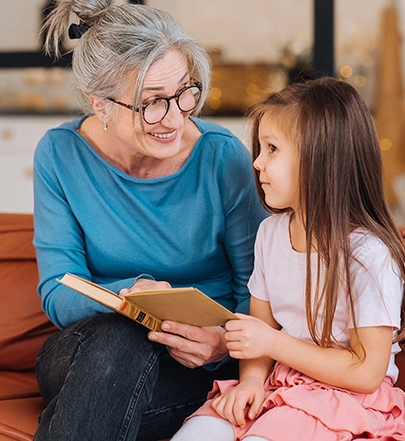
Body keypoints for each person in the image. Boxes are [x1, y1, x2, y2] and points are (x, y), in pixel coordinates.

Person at [32, 1, 267, 440]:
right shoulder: (60, 154)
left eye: (184, 93)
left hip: (191, 367)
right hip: (85, 350)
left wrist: (220, 344)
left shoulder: (222, 157)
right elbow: (57, 289)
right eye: (152, 104)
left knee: (99, 404)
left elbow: (258, 287)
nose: (176, 118)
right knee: (121, 339)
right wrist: (128, 299)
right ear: (98, 103)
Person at [170, 77, 405, 441]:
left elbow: (366, 372)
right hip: (281, 385)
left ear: (321, 158)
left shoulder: (370, 256)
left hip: (346, 397)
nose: (258, 163)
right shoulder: (270, 235)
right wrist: (250, 382)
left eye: (272, 149)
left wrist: (273, 344)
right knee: (195, 433)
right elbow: (258, 333)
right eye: (259, 148)